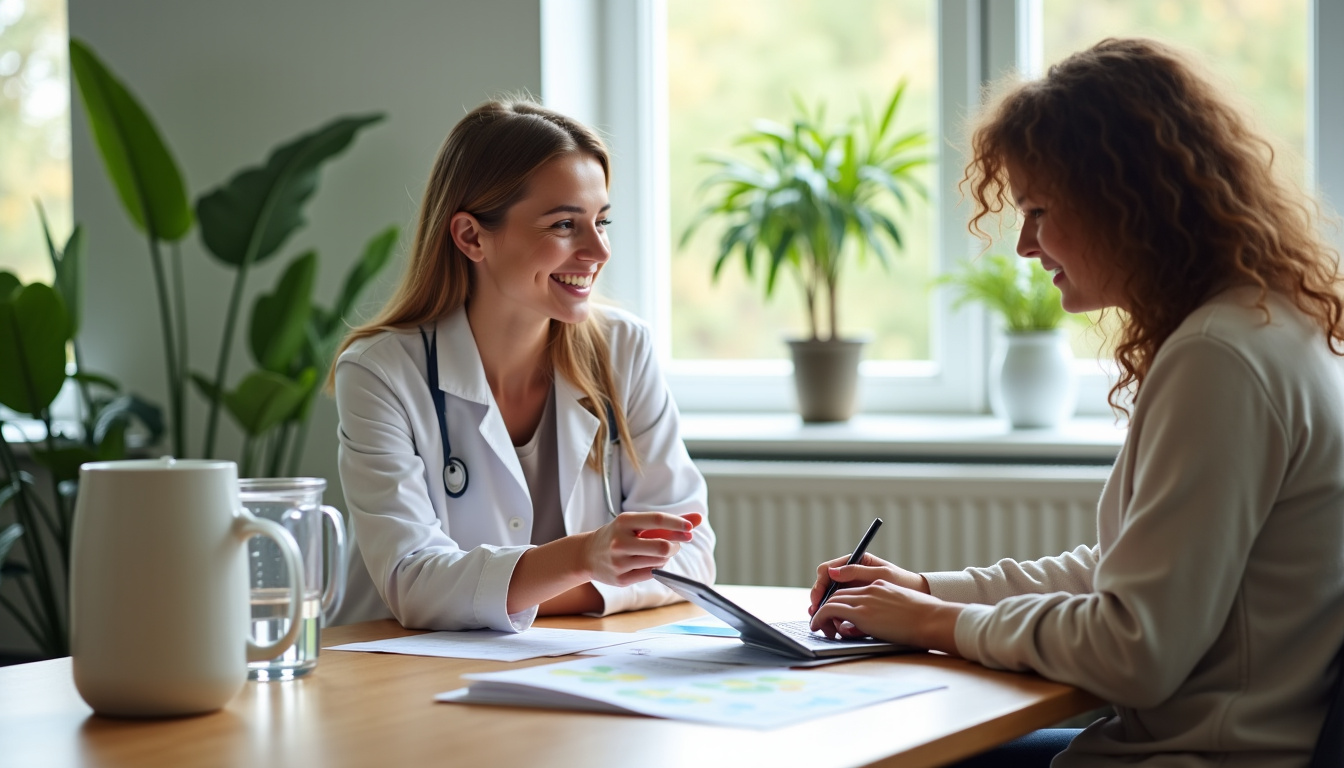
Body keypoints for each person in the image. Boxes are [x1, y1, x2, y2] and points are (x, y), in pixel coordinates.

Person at [808, 38, 1344, 767]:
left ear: (1125, 201)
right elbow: (1134, 570)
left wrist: (935, 621)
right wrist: (927, 590)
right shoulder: (1268, 323)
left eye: (1038, 210)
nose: (1025, 246)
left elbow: (1135, 648)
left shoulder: (1219, 359)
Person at [330, 99, 715, 632]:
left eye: (602, 221)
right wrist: (583, 558)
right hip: (389, 666)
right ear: (471, 237)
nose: (598, 250)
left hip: (553, 658)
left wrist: (497, 591)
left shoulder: (623, 349)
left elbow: (689, 555)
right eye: (564, 224)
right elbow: (413, 584)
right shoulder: (381, 373)